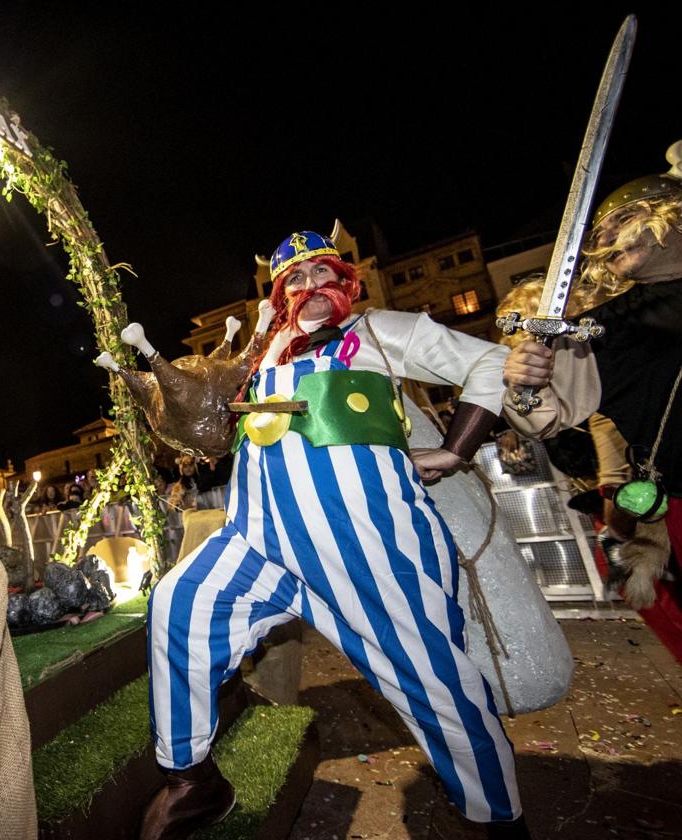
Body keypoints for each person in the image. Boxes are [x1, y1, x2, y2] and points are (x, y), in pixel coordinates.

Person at [142, 231, 525, 839]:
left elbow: (487, 363)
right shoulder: (265, 356)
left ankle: (497, 818)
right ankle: (192, 779)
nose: (310, 286)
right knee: (179, 606)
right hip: (258, 538)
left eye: (324, 273)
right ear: (280, 295)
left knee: (434, 681)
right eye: (295, 278)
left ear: (346, 283)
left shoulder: (381, 332)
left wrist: (455, 450)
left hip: (368, 544)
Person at [503, 152, 681, 654]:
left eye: (621, 221)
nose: (604, 239)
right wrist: (523, 383)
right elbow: (542, 415)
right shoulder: (603, 328)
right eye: (599, 231)